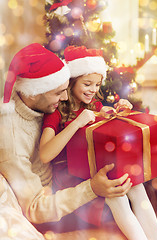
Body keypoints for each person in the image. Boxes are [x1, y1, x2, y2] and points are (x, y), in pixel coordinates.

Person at [0, 43, 132, 237]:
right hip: (53, 207)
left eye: (65, 89)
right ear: (35, 91)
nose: (64, 97)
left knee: (131, 188)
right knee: (117, 204)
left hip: (69, 176)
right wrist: (92, 188)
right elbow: (36, 208)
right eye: (57, 92)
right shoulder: (11, 140)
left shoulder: (40, 105)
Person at [39, 45, 157, 240]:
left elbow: (107, 128)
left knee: (135, 185)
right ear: (71, 82)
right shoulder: (56, 111)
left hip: (94, 167)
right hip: (70, 175)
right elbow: (45, 154)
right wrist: (78, 122)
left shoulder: (94, 105)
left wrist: (121, 110)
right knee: (117, 196)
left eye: (97, 85)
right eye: (87, 84)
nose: (93, 90)